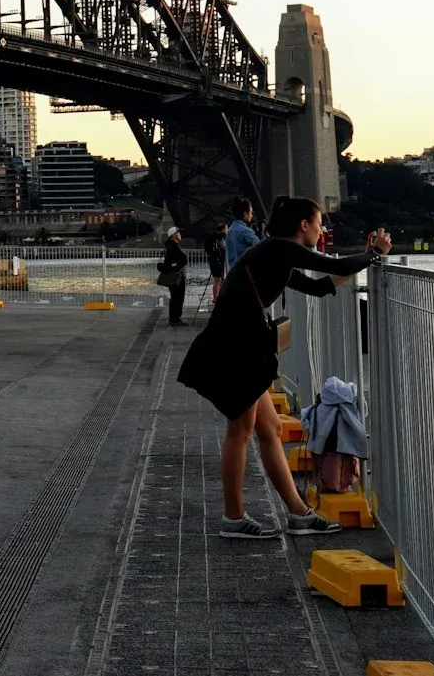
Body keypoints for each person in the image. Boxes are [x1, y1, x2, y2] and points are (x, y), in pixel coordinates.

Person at [176, 195, 390, 539]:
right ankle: (233, 518)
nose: (321, 231)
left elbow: (320, 287)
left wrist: (361, 262)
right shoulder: (279, 248)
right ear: (303, 225)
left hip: (238, 344)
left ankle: (299, 514)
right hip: (235, 347)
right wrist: (375, 253)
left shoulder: (273, 254)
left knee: (270, 429)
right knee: (240, 431)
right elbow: (333, 267)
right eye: (318, 223)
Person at [159, 226, 189, 325]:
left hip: (177, 275)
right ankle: (174, 319)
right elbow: (176, 262)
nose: (180, 235)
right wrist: (177, 265)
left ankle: (175, 318)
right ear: (173, 236)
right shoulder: (172, 247)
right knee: (177, 297)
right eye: (178, 233)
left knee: (176, 297)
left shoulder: (171, 246)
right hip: (176, 276)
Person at [223, 197, 259, 272]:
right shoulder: (245, 231)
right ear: (245, 214)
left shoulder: (230, 230)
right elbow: (260, 247)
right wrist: (261, 234)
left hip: (232, 272)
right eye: (250, 212)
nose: (252, 215)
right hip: (245, 273)